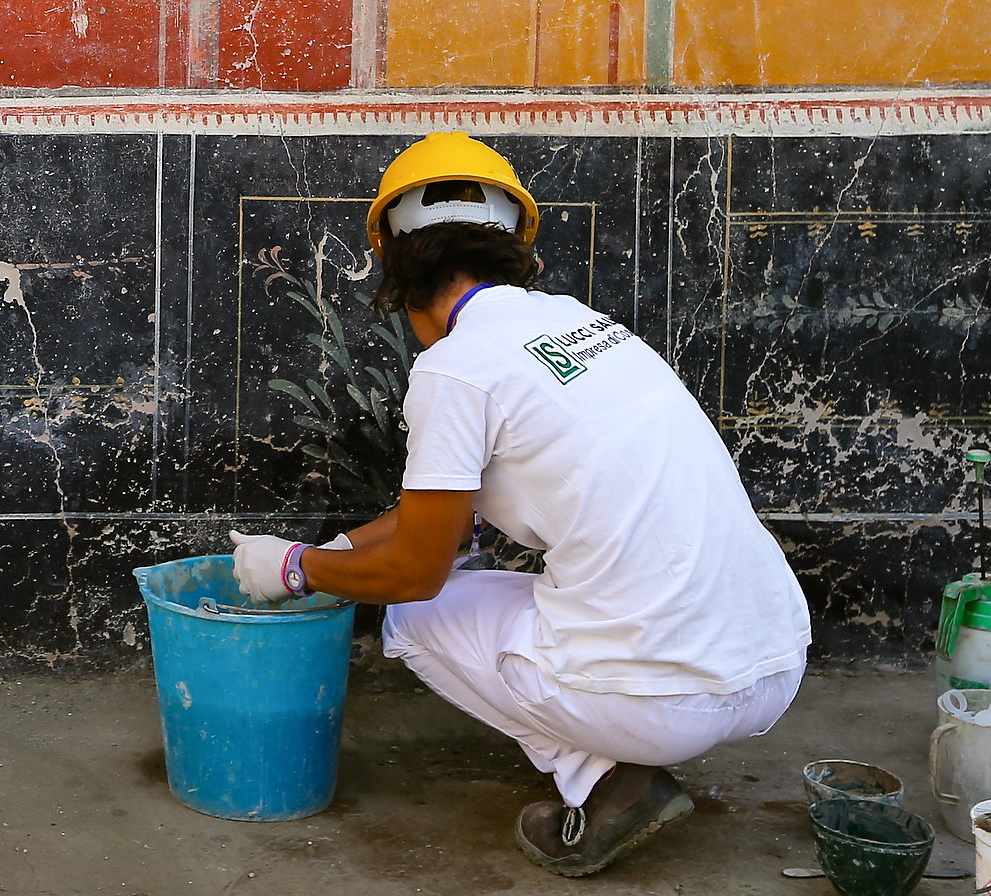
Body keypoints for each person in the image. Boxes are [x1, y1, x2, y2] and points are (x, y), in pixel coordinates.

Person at [235, 134, 809, 878]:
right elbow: (446, 518)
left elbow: (416, 571)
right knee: (486, 589)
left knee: (415, 619)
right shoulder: (577, 324)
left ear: (401, 274)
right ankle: (620, 753)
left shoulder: (456, 367)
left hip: (671, 700)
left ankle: (605, 781)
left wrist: (295, 568)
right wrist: (340, 550)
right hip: (771, 663)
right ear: (515, 249)